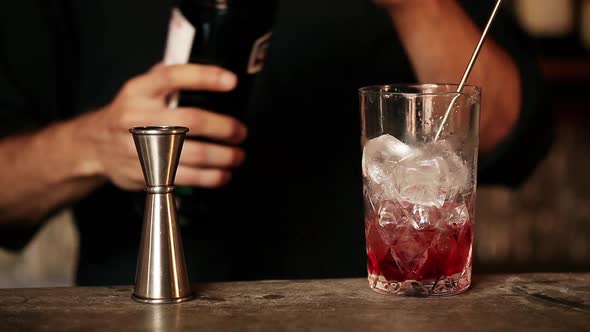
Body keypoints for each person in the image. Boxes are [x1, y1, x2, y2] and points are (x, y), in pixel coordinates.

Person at [0, 0, 551, 285]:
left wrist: (418, 4)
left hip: (381, 314)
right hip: (145, 311)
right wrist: (90, 146)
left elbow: (511, 138)